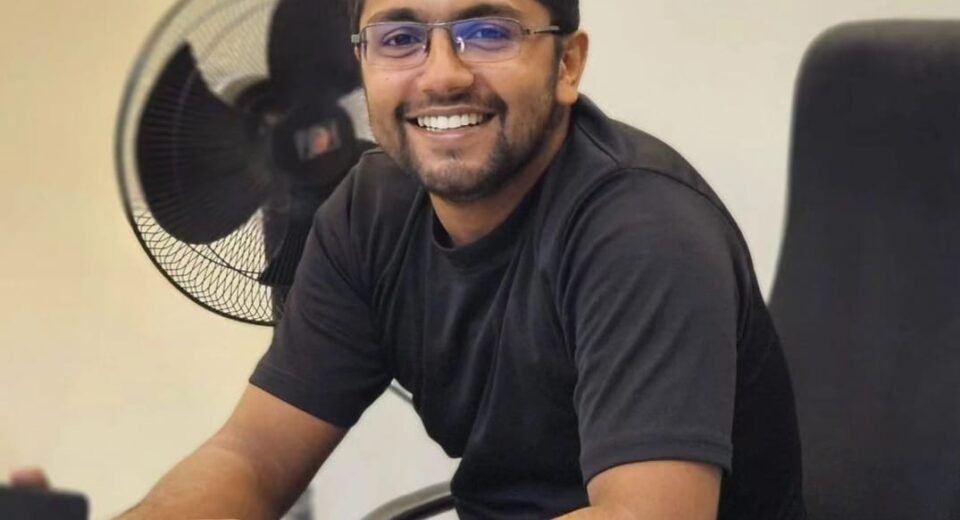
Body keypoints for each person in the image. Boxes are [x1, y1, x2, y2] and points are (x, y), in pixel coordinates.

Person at [15, 0, 805, 518]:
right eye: (398, 37)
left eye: (487, 31)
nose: (442, 73)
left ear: (567, 64)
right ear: (359, 62)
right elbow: (250, 457)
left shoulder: (642, 230)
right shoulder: (369, 210)